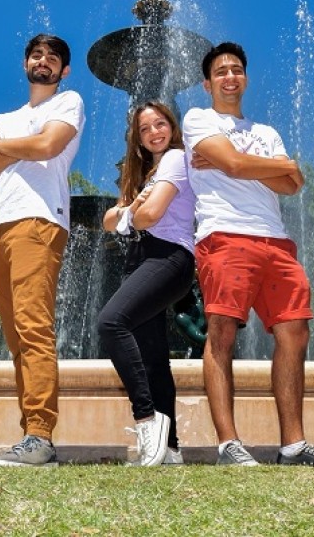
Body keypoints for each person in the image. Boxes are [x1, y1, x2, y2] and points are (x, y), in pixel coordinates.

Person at [182, 41, 314, 468]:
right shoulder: (198, 118)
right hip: (224, 234)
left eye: (237, 69)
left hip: (275, 240)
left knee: (295, 333)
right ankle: (229, 445)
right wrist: (267, 165)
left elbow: (294, 184)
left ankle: (293, 445)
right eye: (221, 71)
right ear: (207, 83)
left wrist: (247, 161)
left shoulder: (267, 131)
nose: (230, 77)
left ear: (246, 78)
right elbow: (245, 168)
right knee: (221, 334)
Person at [0, 34, 84, 467]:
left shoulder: (67, 102)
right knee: (16, 337)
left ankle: (40, 434)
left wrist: (3, 146)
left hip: (40, 222)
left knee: (34, 327)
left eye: (52, 58)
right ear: (25, 63)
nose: (44, 62)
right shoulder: (6, 117)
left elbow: (48, 146)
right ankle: (30, 437)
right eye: (36, 55)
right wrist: (12, 147)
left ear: (63, 70)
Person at [96, 101, 196, 467]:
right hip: (141, 259)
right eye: (145, 129)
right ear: (137, 139)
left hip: (168, 257)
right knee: (154, 357)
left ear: (172, 126)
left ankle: (147, 419)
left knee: (110, 322)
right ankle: (170, 448)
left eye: (160, 124)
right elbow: (108, 220)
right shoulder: (141, 174)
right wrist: (130, 211)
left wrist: (130, 213)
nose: (154, 132)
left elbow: (151, 214)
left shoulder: (174, 159)